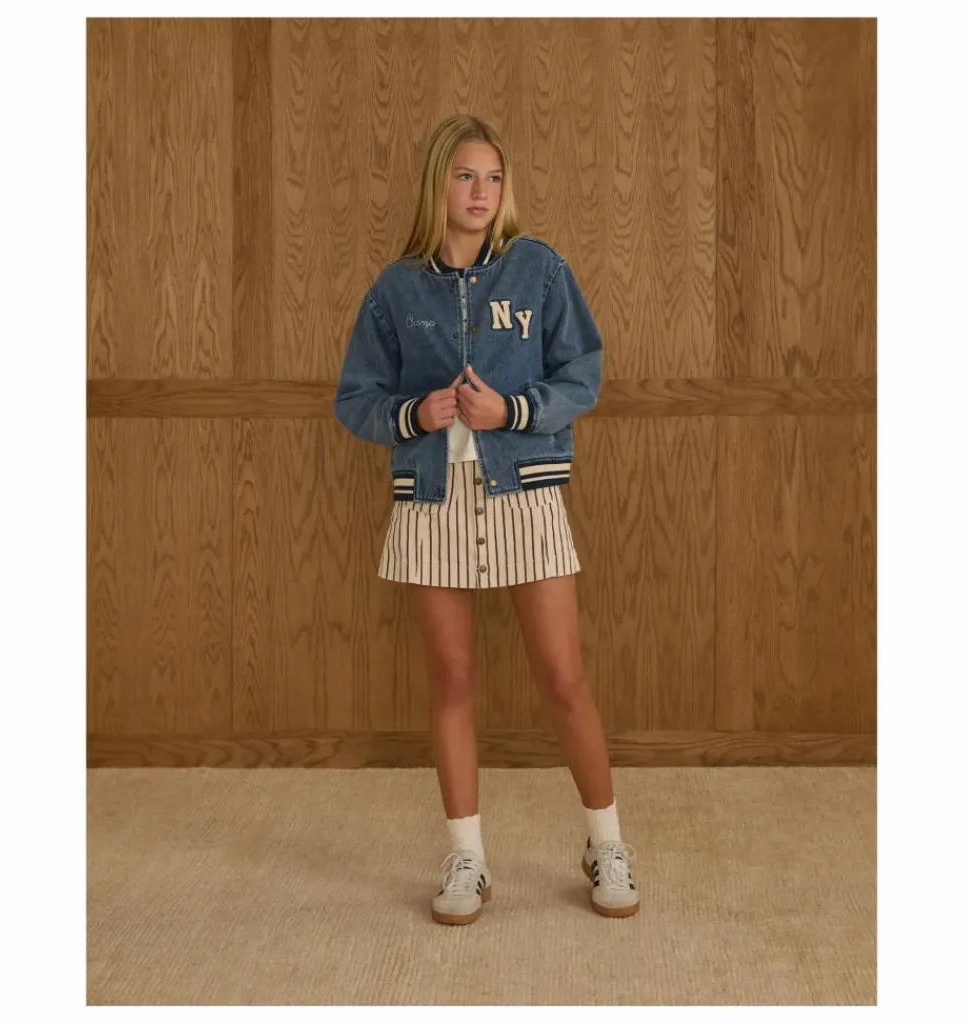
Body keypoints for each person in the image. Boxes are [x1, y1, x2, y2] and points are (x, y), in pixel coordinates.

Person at [334, 114, 638, 925]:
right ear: (438, 184)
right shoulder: (396, 290)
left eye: (493, 178)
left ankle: (606, 843)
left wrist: (514, 410)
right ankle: (467, 858)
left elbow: (583, 373)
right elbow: (355, 399)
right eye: (465, 176)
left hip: (524, 493)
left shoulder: (538, 270)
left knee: (564, 678)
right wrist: (414, 415)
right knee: (453, 682)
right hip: (432, 502)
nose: (481, 192)